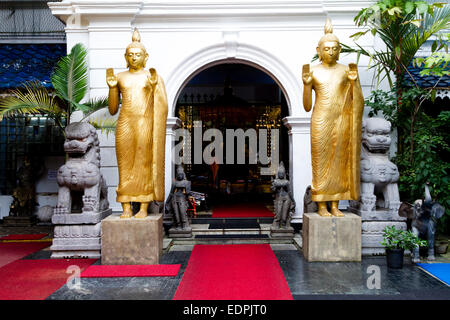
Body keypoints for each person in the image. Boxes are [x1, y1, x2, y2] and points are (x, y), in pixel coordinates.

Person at [302, 18, 364, 217]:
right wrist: (306, 85)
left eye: (335, 48)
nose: (331, 52)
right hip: (320, 120)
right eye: (326, 48)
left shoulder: (347, 71)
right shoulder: (313, 71)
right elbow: (306, 106)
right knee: (320, 162)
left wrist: (354, 83)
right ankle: (321, 205)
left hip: (341, 120)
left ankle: (335, 204)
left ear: (340, 50)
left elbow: (357, 101)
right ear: (318, 50)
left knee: (339, 161)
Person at [106, 28, 168, 219]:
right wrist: (112, 89)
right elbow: (112, 109)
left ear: (145, 56)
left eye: (138, 54)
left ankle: (142, 206)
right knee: (124, 165)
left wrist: (155, 85)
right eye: (131, 55)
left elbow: (163, 104)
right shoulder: (120, 77)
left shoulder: (151, 77)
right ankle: (126, 206)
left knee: (143, 163)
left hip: (144, 124)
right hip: (125, 123)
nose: (134, 58)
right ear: (125, 56)